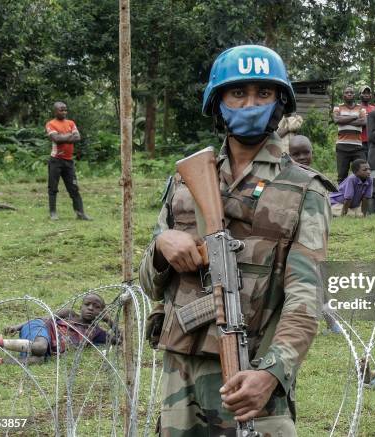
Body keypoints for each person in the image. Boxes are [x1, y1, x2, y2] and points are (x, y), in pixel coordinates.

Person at [139, 45, 332, 436]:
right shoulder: (186, 180)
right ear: (218, 103)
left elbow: (306, 296)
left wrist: (272, 373)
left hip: (252, 371)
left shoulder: (304, 190)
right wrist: (162, 249)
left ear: (280, 103)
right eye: (237, 93)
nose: (250, 104)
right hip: (181, 375)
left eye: (263, 93)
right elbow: (147, 283)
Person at [0, 293, 114, 368]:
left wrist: (109, 320)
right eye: (87, 304)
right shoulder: (69, 314)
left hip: (48, 350)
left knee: (37, 360)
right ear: (81, 306)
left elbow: (119, 340)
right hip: (39, 329)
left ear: (102, 311)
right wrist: (18, 326)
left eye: (96, 307)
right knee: (40, 347)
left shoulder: (95, 332)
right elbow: (44, 318)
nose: (90, 308)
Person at [46, 102, 91, 221]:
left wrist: (63, 137)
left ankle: (80, 213)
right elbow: (56, 139)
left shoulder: (71, 123)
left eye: (65, 110)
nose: (64, 112)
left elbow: (77, 137)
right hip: (56, 160)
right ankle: (53, 213)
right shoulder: (51, 124)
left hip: (68, 162)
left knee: (74, 188)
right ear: (55, 111)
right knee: (53, 188)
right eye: (61, 110)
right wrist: (69, 136)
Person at [333, 86, 368, 183]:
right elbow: (336, 120)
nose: (349, 94)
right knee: (342, 176)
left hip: (357, 147)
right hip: (342, 147)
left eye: (351, 92)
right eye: (347, 92)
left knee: (364, 172)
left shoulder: (361, 108)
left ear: (354, 95)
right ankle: (342, 196)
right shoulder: (338, 107)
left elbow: (364, 122)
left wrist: (344, 120)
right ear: (343, 95)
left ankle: (362, 196)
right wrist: (354, 117)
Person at [359, 85, 375, 161]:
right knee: (362, 163)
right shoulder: (356, 108)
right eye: (364, 93)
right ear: (360, 95)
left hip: (374, 141)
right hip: (361, 141)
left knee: (373, 163)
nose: (366, 95)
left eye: (368, 93)